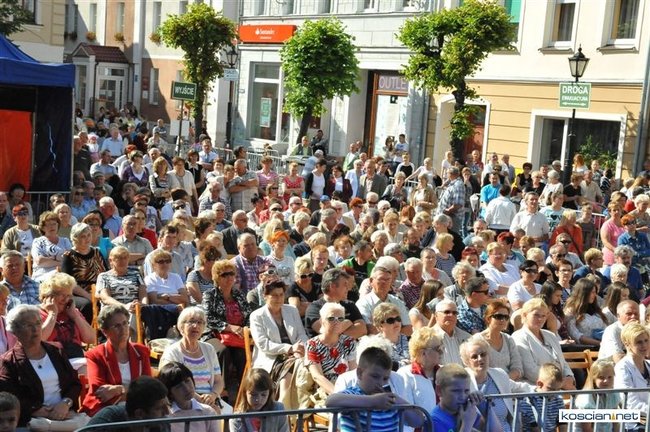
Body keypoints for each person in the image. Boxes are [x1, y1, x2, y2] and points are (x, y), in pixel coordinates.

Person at [0, 305, 81, 427]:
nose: (35, 329)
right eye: (28, 325)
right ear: (15, 331)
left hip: (65, 414)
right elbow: (9, 396)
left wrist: (65, 403)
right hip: (33, 419)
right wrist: (35, 409)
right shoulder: (8, 362)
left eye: (38, 323)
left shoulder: (56, 351)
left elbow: (74, 383)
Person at [326, 347, 425, 432]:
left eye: (385, 378)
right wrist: (372, 401)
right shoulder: (354, 394)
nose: (380, 383)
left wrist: (395, 399)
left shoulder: (389, 401)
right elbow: (331, 401)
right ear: (359, 373)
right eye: (375, 376)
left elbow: (418, 421)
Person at [82, 305, 151, 416]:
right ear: (105, 331)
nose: (123, 329)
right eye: (117, 326)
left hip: (138, 407)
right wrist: (136, 393)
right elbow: (101, 392)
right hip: (107, 408)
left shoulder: (141, 351)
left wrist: (119, 389)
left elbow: (148, 386)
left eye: (125, 323)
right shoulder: (95, 355)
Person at [460, 337, 534, 432]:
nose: (480, 359)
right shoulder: (462, 381)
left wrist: (539, 389)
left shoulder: (499, 374)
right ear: (466, 361)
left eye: (483, 354)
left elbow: (518, 387)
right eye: (474, 357)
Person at [160, 307, 225, 411]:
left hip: (210, 400)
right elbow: (174, 385)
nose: (196, 326)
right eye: (191, 321)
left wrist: (213, 395)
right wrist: (201, 402)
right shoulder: (172, 352)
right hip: (183, 402)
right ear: (181, 326)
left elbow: (218, 381)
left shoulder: (209, 349)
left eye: (200, 322)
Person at [203, 258, 252, 395]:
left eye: (231, 274)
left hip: (237, 336)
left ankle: (245, 390)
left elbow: (249, 315)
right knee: (222, 351)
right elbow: (208, 319)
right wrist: (229, 327)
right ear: (216, 278)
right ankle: (221, 391)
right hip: (214, 334)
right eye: (224, 275)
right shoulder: (209, 295)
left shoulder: (239, 294)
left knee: (242, 354)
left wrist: (245, 329)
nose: (229, 277)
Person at [512, 298, 575, 389]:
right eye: (536, 315)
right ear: (525, 315)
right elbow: (529, 370)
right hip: (537, 389)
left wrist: (569, 377)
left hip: (561, 386)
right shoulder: (518, 337)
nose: (540, 319)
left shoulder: (550, 335)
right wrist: (558, 383)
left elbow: (563, 362)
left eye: (543, 316)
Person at [39, 273, 95, 367]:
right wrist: (52, 314)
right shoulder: (36, 314)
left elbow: (91, 339)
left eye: (69, 295)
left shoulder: (72, 312)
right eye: (62, 295)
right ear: (48, 296)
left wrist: (75, 316)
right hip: (51, 363)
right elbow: (38, 340)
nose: (65, 300)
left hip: (76, 360)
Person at [306, 302, 357, 398]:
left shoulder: (349, 342)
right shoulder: (312, 344)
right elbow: (317, 376)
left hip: (348, 390)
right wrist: (338, 394)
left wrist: (351, 394)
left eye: (340, 319)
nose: (336, 322)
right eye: (331, 318)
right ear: (322, 321)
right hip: (325, 391)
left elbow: (353, 372)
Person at [86, 376, 170, 428]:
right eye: (159, 408)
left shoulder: (162, 424)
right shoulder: (105, 423)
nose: (167, 412)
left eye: (167, 405)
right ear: (139, 413)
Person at [158, 362, 221, 432]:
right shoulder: (166, 416)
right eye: (179, 386)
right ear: (170, 392)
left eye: (187, 381)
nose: (186, 388)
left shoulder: (207, 412)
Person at [396, 327, 443, 415]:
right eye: (437, 348)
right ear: (423, 353)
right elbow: (407, 412)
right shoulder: (405, 375)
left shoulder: (445, 372)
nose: (441, 351)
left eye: (441, 347)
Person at [431, 363, 489, 432]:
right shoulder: (434, 421)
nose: (462, 396)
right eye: (456, 391)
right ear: (439, 390)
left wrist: (483, 406)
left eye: (466, 391)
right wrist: (467, 424)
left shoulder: (466, 412)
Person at [613, 322, 650, 431]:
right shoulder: (622, 368)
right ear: (627, 344)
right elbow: (630, 403)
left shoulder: (649, 364)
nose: (644, 345)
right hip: (635, 423)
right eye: (639, 342)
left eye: (646, 340)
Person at [477, 301, 523, 380]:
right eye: (499, 316)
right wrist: (500, 382)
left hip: (510, 382)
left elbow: (517, 366)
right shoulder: (477, 341)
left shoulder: (508, 339)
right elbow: (478, 369)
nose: (503, 320)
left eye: (506, 317)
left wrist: (506, 380)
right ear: (488, 318)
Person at [573, 359, 621, 432]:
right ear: (594, 378)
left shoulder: (613, 394)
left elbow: (615, 422)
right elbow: (587, 429)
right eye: (601, 377)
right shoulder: (586, 398)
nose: (606, 381)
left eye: (610, 377)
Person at [564, 279, 608, 347]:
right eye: (592, 292)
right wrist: (599, 343)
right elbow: (575, 335)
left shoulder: (596, 309)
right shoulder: (572, 311)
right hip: (584, 349)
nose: (595, 295)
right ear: (584, 293)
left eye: (595, 292)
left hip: (603, 346)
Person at [31, 212, 72, 282]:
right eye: (48, 224)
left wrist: (49, 259)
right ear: (43, 228)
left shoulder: (65, 241)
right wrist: (59, 259)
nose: (52, 227)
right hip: (42, 275)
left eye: (54, 224)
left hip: (63, 274)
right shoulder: (37, 242)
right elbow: (39, 261)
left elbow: (71, 260)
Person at [373, 303, 409, 368]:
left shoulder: (409, 339)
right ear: (380, 326)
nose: (396, 322)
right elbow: (385, 366)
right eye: (390, 320)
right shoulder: (376, 345)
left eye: (398, 319)